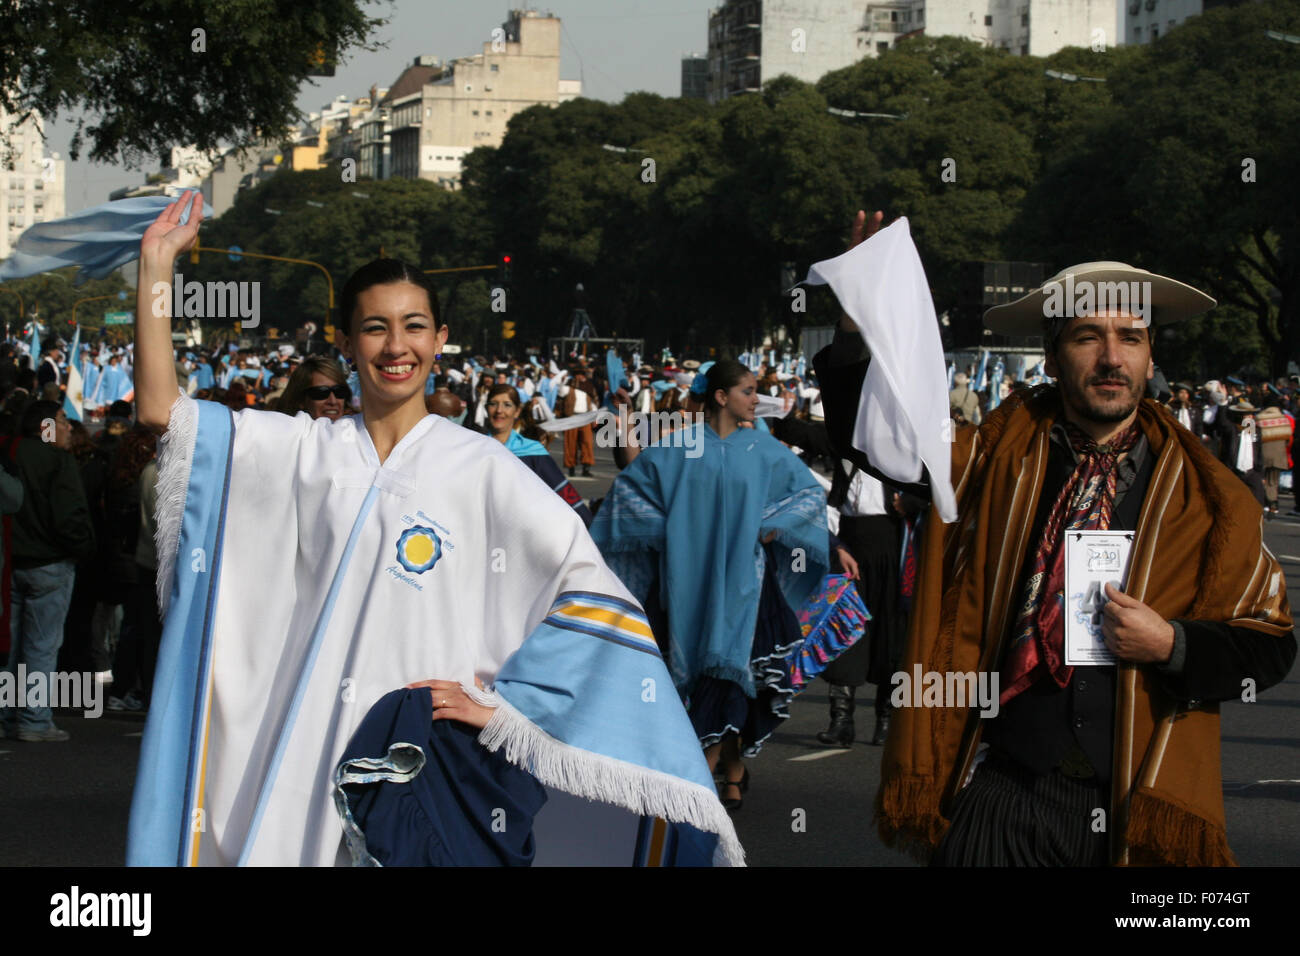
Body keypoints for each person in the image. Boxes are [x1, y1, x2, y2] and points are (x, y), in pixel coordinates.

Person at [127, 192, 741, 867]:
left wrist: (507, 710)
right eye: (375, 328)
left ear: (441, 339)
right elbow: (163, 411)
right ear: (343, 341)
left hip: (427, 770)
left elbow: (588, 595)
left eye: (415, 326)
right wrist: (156, 267)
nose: (397, 347)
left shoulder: (487, 471)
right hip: (306, 763)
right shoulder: (302, 450)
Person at [815, 209, 1296, 865]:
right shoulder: (992, 459)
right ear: (1051, 354)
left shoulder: (1211, 495)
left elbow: (1269, 644)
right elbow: (877, 440)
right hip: (1006, 791)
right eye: (1086, 337)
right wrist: (857, 314)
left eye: (1130, 337)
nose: (1111, 357)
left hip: (1138, 804)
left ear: (1151, 353)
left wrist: (1173, 643)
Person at [591, 359, 830, 811]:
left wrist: (774, 524)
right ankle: (725, 769)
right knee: (702, 674)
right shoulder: (677, 448)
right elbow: (630, 495)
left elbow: (808, 495)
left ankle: (713, 769)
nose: (755, 399)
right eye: (747, 390)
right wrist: (672, 532)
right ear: (721, 397)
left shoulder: (765, 449)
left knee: (738, 676)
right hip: (687, 586)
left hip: (749, 589)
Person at [0, 401, 97, 742]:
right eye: (62, 420)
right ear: (46, 425)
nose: (69, 427)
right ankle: (33, 719)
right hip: (50, 563)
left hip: (11, 562)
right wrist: (83, 549)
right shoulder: (56, 460)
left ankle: (7, 715)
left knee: (9, 645)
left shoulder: (10, 452)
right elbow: (69, 515)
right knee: (41, 646)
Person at [484, 383, 592, 527]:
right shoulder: (474, 448)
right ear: (486, 408)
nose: (499, 410)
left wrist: (590, 526)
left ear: (517, 411)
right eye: (493, 404)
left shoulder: (532, 451)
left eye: (507, 405)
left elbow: (562, 491)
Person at [277, 356, 351, 421]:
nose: (333, 401)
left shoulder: (356, 433)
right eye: (321, 392)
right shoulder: (281, 435)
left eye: (339, 391)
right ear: (300, 399)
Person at [559, 370, 598, 478]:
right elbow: (561, 391)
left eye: (581, 375)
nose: (579, 377)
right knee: (570, 444)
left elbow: (593, 404)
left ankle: (586, 468)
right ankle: (571, 468)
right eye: (578, 375)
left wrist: (595, 418)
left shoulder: (588, 388)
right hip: (572, 417)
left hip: (585, 418)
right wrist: (563, 381)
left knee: (587, 443)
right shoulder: (568, 389)